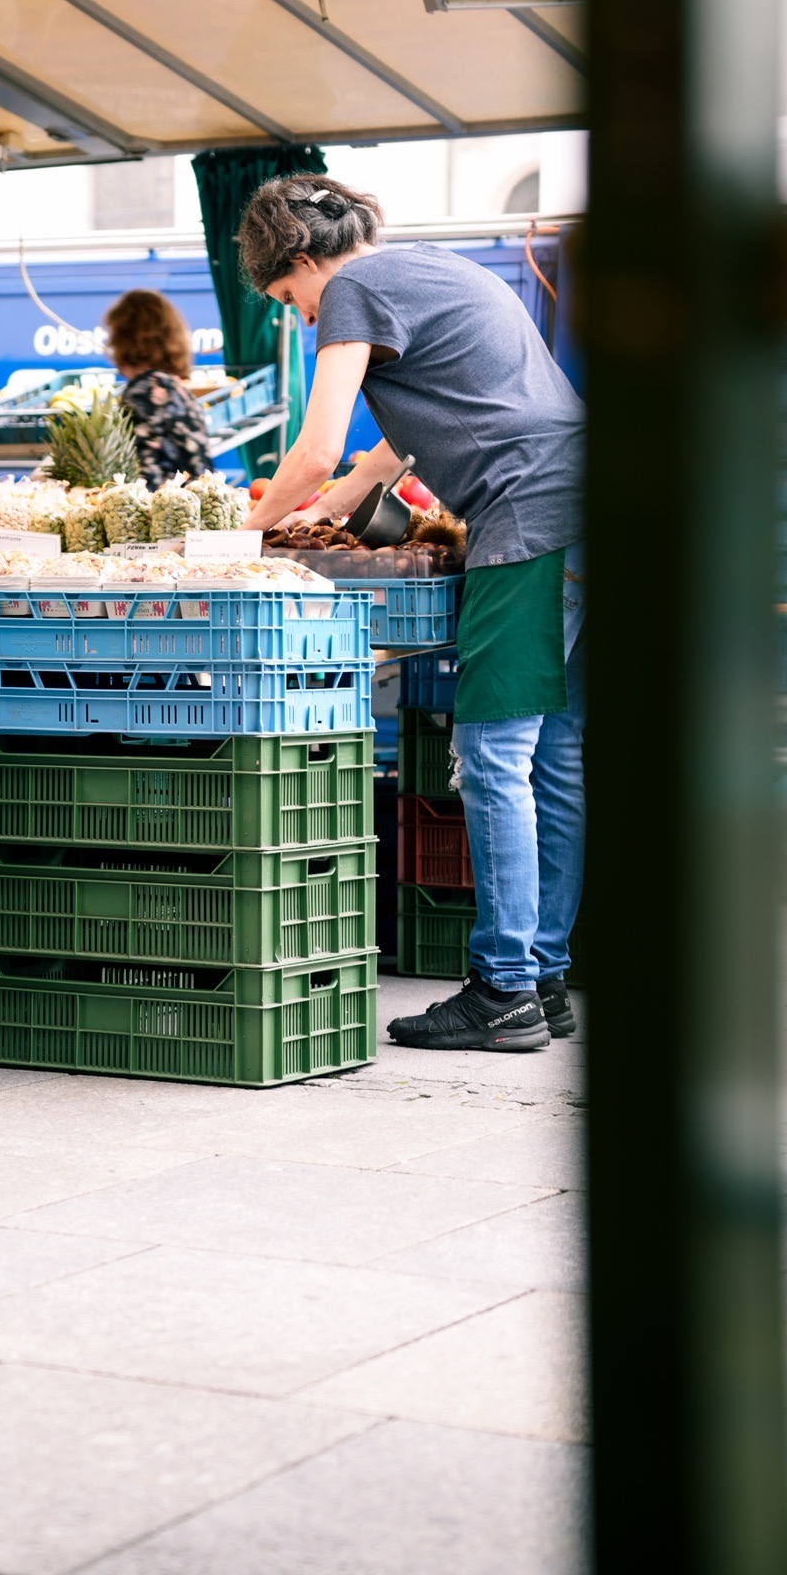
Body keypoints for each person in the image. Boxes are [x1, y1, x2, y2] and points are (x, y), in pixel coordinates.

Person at [238, 175, 585, 1054]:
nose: (306, 319)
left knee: (494, 753)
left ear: (304, 260)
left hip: (529, 517)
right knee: (561, 755)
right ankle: (542, 976)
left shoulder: (353, 290)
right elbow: (410, 430)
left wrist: (241, 531)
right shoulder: (441, 270)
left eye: (290, 299)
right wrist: (363, 484)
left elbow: (314, 450)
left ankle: (502, 988)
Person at [103, 287, 210, 490]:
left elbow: (145, 474)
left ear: (125, 339)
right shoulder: (175, 388)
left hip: (169, 511)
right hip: (195, 506)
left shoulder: (142, 392)